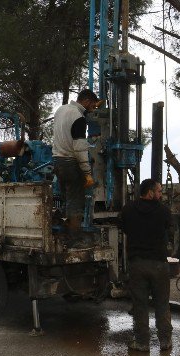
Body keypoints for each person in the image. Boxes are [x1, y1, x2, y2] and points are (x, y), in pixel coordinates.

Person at [120, 179, 173, 353]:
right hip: (158, 264)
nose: (160, 194)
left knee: (140, 304)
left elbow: (124, 228)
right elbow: (169, 229)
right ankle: (165, 341)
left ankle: (142, 342)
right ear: (149, 192)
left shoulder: (128, 209)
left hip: (137, 264)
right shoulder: (163, 211)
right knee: (162, 303)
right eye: (158, 191)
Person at [52, 89, 99, 245]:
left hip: (57, 161)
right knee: (75, 202)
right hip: (70, 163)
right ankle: (74, 240)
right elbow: (79, 148)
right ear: (85, 101)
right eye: (92, 105)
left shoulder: (61, 110)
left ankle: (62, 235)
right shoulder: (79, 117)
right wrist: (87, 173)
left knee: (66, 200)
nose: (93, 109)